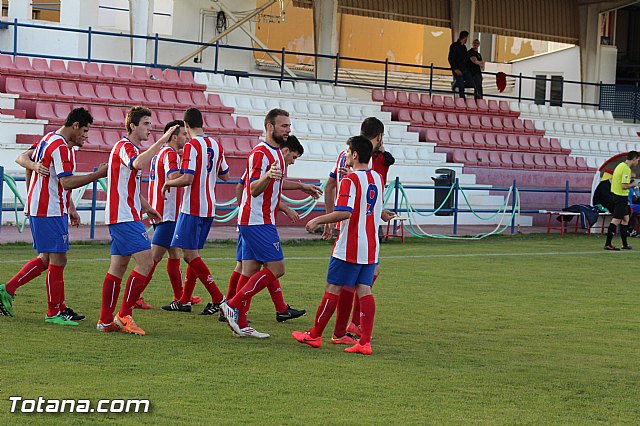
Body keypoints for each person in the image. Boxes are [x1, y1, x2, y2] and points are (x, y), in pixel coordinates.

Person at [221, 108, 322, 338]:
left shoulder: (276, 153)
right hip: (258, 221)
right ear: (270, 127)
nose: (288, 130)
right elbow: (254, 188)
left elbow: (277, 183)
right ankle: (233, 304)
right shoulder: (261, 153)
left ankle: (241, 323)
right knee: (277, 268)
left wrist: (301, 187)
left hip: (258, 219)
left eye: (289, 126)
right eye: (284, 126)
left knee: (249, 270)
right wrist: (266, 176)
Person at [0, 108, 107, 324]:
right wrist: (97, 175)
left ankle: (9, 291)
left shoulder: (50, 139)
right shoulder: (60, 147)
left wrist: (69, 207)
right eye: (85, 131)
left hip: (49, 208)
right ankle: (53, 312)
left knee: (48, 259)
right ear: (75, 125)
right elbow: (65, 182)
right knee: (57, 258)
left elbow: (46, 175)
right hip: (47, 210)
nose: (86, 136)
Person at [292, 135, 396, 355]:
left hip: (349, 245)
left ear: (355, 154)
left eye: (348, 152)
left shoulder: (350, 180)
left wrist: (318, 219)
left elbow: (345, 212)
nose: (346, 155)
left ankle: (314, 335)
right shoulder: (377, 177)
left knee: (333, 288)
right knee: (364, 290)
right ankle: (364, 342)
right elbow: (371, 206)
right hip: (370, 247)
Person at [97, 106, 178, 334]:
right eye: (145, 124)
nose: (150, 129)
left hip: (128, 214)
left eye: (151, 125)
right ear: (132, 126)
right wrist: (162, 140)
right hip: (123, 217)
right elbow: (137, 164)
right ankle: (124, 315)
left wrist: (147, 206)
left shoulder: (132, 148)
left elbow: (128, 185)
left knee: (118, 267)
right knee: (146, 262)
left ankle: (105, 321)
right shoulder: (124, 146)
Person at [323, 117, 386, 345]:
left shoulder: (345, 160)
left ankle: (341, 330)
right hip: (365, 234)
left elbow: (331, 187)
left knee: (343, 283)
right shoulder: (375, 171)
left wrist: (326, 219)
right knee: (361, 283)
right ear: (378, 137)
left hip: (347, 227)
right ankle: (351, 330)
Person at [160, 108, 229, 315]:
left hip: (192, 207)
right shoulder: (216, 145)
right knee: (193, 254)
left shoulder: (192, 145)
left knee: (189, 255)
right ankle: (184, 300)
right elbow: (225, 175)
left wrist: (168, 182)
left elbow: (188, 179)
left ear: (186, 125)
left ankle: (219, 298)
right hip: (210, 207)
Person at [134, 119, 200, 310]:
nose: (186, 138)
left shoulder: (161, 153)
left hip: (161, 209)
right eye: (184, 135)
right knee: (154, 257)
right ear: (174, 137)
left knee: (174, 253)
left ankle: (180, 297)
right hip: (167, 213)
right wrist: (190, 173)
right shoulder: (170, 153)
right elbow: (172, 176)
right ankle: (136, 296)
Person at [604, 151, 640, 251]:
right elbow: (624, 186)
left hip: (617, 196)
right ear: (634, 159)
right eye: (638, 159)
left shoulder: (620, 165)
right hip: (620, 197)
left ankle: (624, 244)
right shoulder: (626, 169)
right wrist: (633, 185)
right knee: (616, 220)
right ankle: (608, 244)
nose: (638, 161)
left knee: (625, 219)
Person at [448, 31, 469, 99]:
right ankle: (463, 99)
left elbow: (466, 59)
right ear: (465, 37)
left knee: (472, 82)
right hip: (457, 69)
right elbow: (450, 58)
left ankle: (456, 84)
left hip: (464, 69)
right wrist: (455, 69)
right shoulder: (454, 46)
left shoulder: (464, 48)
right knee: (461, 85)